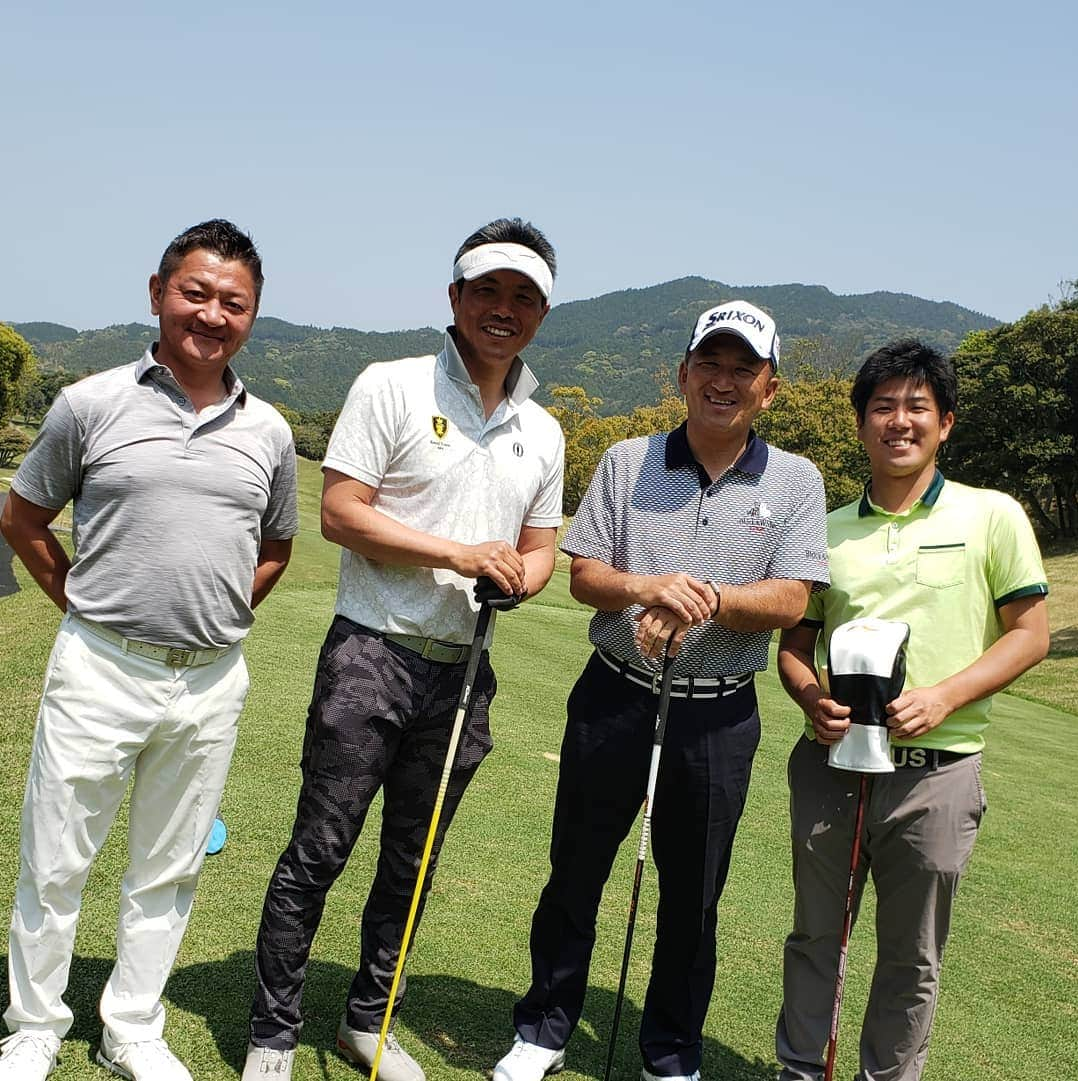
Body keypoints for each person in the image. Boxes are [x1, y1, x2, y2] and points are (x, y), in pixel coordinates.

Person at [242, 218, 565, 1081]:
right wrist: (460, 553)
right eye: (488, 290)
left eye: (524, 296)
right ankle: (273, 1032)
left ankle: (366, 1021)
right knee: (320, 849)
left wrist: (520, 578)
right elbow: (342, 513)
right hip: (371, 656)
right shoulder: (391, 385)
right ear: (455, 297)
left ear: (541, 311)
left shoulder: (545, 430)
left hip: (463, 672)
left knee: (412, 865)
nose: (505, 309)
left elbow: (539, 550)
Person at [496, 301, 830, 1081]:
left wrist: (706, 596)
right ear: (682, 374)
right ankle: (543, 1028)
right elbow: (585, 576)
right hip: (615, 696)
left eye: (742, 368)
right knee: (575, 870)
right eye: (708, 364)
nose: (723, 381)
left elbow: (791, 598)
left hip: (718, 716)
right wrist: (648, 588)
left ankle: (671, 1051)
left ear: (769, 388)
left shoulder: (796, 479)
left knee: (693, 895)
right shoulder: (625, 459)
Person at [0, 220, 298, 1081]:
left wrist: (217, 615)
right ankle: (34, 1024)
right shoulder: (90, 403)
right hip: (99, 665)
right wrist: (78, 599)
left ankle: (133, 1026)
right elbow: (22, 516)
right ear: (158, 292)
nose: (212, 313)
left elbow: (274, 545)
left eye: (232, 302)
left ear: (252, 316)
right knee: (55, 858)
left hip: (209, 681)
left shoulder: (270, 431)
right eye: (195, 292)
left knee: (167, 869)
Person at [774, 340, 1050, 1081]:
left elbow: (1031, 635)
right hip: (830, 765)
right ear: (862, 422)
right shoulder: (823, 529)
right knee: (815, 939)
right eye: (882, 406)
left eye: (916, 407)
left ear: (946, 422)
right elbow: (794, 647)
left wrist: (944, 695)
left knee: (911, 954)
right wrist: (810, 696)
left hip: (938, 774)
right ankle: (800, 1071)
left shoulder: (992, 515)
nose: (899, 420)